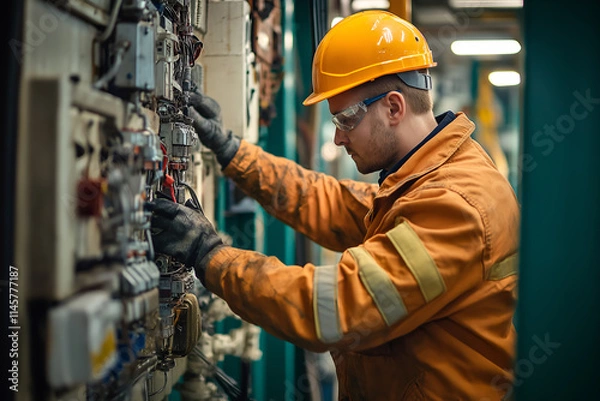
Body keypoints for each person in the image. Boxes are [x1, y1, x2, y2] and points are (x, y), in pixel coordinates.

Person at [148, 10, 520, 400]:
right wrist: (231, 151)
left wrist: (210, 255)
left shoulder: (455, 206)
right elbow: (325, 201)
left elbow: (334, 306)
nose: (339, 139)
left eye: (345, 120)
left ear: (394, 108)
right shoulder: (424, 182)